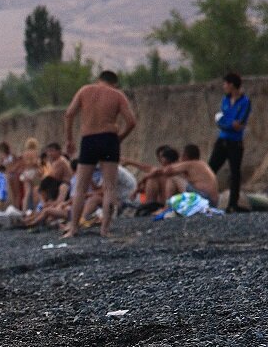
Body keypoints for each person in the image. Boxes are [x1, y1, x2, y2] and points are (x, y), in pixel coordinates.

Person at [62, 69, 137, 237]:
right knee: (110, 187)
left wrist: (69, 140)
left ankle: (73, 228)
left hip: (89, 139)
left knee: (80, 186)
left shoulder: (85, 90)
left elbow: (69, 114)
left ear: (99, 80)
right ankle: (105, 229)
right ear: (115, 83)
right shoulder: (117, 95)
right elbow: (131, 121)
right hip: (109, 139)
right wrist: (120, 138)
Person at [208, 72, 251, 213]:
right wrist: (228, 124)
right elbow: (221, 120)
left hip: (235, 143)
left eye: (225, 83)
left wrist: (227, 124)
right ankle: (205, 200)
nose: (224, 86)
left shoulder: (245, 102)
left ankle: (233, 204)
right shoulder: (225, 100)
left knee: (235, 173)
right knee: (210, 169)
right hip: (222, 140)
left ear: (232, 84)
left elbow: (239, 123)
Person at [157, 144, 220, 214]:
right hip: (213, 203)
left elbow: (167, 171)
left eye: (181, 155)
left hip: (205, 200)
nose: (180, 158)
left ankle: (167, 208)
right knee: (178, 178)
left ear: (185, 156)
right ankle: (175, 207)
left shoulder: (189, 164)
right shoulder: (201, 164)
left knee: (173, 178)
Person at [123, 146, 181, 216]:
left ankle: (153, 207)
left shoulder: (177, 169)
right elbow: (148, 169)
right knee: (152, 178)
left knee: (153, 177)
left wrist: (136, 190)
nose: (160, 159)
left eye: (162, 157)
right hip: (161, 204)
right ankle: (150, 206)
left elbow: (148, 171)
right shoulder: (160, 171)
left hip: (175, 204)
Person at [18, 138, 41, 213]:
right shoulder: (35, 152)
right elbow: (35, 163)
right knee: (35, 191)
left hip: (26, 172)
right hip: (33, 172)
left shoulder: (24, 153)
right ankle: (34, 209)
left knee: (27, 193)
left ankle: (24, 210)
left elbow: (22, 164)